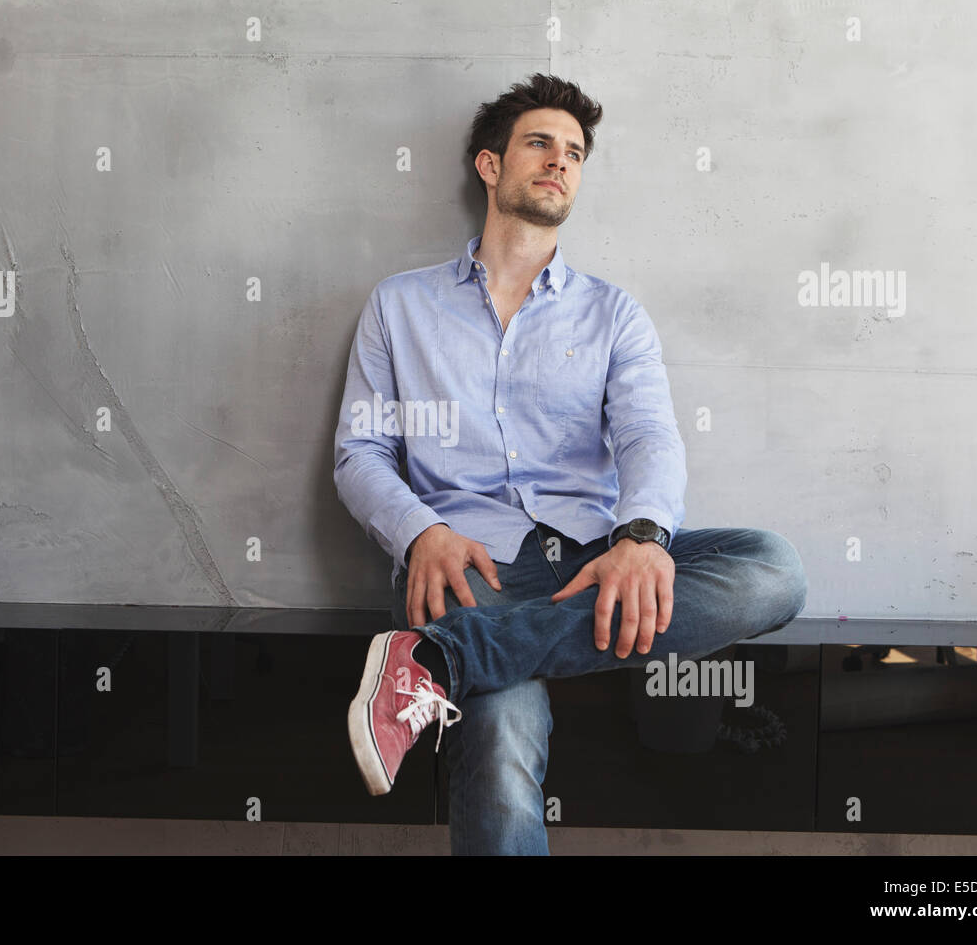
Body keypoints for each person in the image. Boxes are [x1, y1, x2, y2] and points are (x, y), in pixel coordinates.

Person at [333, 73, 807, 855]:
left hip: (593, 553)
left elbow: (650, 434)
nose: (561, 161)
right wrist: (420, 533)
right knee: (499, 736)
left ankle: (437, 666)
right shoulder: (400, 305)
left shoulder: (613, 313)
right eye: (541, 143)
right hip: (466, 567)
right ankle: (462, 657)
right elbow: (361, 452)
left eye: (576, 152)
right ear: (490, 165)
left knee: (774, 568)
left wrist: (644, 537)